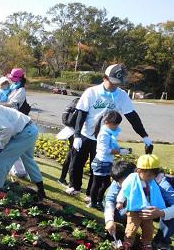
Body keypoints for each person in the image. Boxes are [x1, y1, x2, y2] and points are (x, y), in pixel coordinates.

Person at [66, 64, 153, 198]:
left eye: (118, 83)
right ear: (105, 78)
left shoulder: (121, 96)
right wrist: (77, 135)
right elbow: (81, 114)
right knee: (76, 164)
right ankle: (75, 187)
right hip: (84, 134)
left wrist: (145, 136)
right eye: (113, 82)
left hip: (104, 138)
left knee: (97, 169)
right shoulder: (91, 92)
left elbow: (133, 117)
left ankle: (91, 195)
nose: (115, 86)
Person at [104, 161, 174, 250]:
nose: (121, 185)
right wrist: (109, 220)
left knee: (155, 225)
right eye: (119, 183)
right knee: (123, 216)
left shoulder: (160, 182)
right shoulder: (121, 178)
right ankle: (128, 233)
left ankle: (160, 240)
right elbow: (110, 200)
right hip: (131, 211)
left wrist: (161, 213)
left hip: (154, 210)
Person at [116, 155, 166, 250]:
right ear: (139, 171)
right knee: (132, 227)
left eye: (153, 176)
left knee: (149, 229)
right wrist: (120, 201)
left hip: (147, 211)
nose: (151, 178)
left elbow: (156, 194)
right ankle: (128, 242)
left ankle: (146, 243)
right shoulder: (132, 179)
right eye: (149, 175)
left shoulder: (152, 182)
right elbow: (124, 190)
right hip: (134, 210)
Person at [88, 111, 130, 209]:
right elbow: (105, 150)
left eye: (117, 124)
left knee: (106, 183)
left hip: (107, 162)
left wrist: (122, 149)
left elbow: (112, 146)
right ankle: (94, 202)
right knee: (97, 183)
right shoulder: (104, 134)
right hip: (101, 162)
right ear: (107, 122)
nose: (116, 126)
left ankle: (98, 200)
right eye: (115, 124)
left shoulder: (110, 133)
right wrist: (119, 151)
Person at [0, 69, 29, 178]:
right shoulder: (13, 88)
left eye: (13, 78)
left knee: (13, 146)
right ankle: (17, 169)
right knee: (10, 145)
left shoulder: (21, 91)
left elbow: (13, 104)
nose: (11, 79)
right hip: (9, 118)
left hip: (16, 120)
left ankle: (20, 171)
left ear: (18, 78)